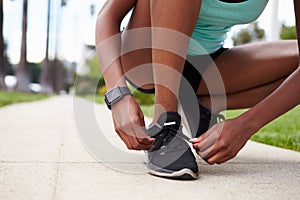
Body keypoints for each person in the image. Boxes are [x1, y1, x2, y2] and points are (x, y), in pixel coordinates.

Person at [95, 0, 300, 180]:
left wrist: (246, 124)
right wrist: (118, 95)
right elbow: (108, 17)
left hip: (206, 66)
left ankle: (199, 105)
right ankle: (165, 123)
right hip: (146, 60)